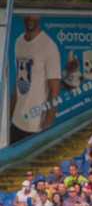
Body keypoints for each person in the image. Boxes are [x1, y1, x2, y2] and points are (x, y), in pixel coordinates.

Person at [10, 14, 61, 144]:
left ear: (39, 15)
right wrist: (8, 117)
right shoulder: (18, 42)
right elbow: (18, 82)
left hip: (35, 128)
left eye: (33, 14)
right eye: (26, 13)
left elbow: (54, 92)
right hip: (16, 123)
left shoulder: (49, 46)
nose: (29, 17)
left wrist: (46, 128)